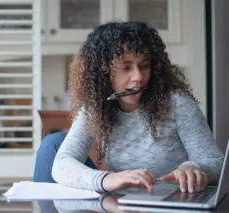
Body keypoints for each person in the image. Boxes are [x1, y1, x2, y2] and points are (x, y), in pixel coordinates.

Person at [33, 21, 224, 194]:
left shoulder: (177, 104)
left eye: (144, 66)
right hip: (123, 202)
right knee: (53, 143)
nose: (138, 77)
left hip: (172, 199)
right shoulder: (95, 108)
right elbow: (61, 165)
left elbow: (215, 162)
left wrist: (196, 168)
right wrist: (107, 178)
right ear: (103, 73)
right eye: (126, 68)